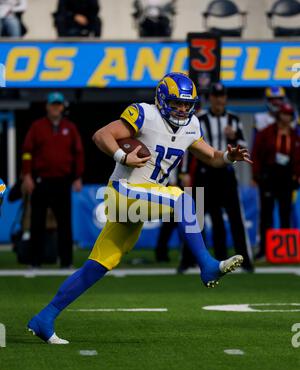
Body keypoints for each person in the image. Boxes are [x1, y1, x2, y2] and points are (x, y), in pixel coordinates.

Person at [27, 73, 252, 345]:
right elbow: (102, 135)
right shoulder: (144, 114)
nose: (182, 109)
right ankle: (207, 265)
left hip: (143, 198)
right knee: (185, 200)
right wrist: (122, 155)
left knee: (97, 265)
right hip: (123, 192)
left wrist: (229, 157)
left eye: (186, 104)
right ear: (162, 99)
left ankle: (45, 318)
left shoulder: (192, 124)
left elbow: (212, 157)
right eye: (176, 103)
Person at [179, 83, 253, 272]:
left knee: (235, 217)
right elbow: (187, 146)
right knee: (197, 218)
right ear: (210, 98)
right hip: (204, 174)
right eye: (216, 96)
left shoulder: (234, 119)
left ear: (225, 98)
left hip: (226, 174)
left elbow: (243, 146)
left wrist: (234, 137)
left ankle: (244, 260)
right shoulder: (198, 120)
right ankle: (188, 260)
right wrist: (185, 172)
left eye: (222, 96)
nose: (219, 99)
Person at [22, 92, 84, 269]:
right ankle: (34, 262)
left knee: (65, 223)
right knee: (37, 223)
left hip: (63, 181)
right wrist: (26, 175)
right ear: (47, 106)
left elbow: (78, 153)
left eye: (58, 105)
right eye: (53, 104)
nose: (56, 107)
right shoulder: (37, 127)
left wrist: (78, 177)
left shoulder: (70, 128)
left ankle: (66, 261)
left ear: (62, 107)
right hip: (41, 181)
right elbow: (27, 152)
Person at [252, 102, 300, 260]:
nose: (286, 117)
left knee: (285, 213)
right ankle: (264, 250)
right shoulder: (266, 133)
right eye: (284, 114)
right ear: (279, 115)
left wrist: (297, 177)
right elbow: (256, 153)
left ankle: (286, 250)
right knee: (266, 214)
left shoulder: (294, 135)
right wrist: (256, 174)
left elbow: (298, 159)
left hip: (286, 178)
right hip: (269, 176)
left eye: (289, 115)